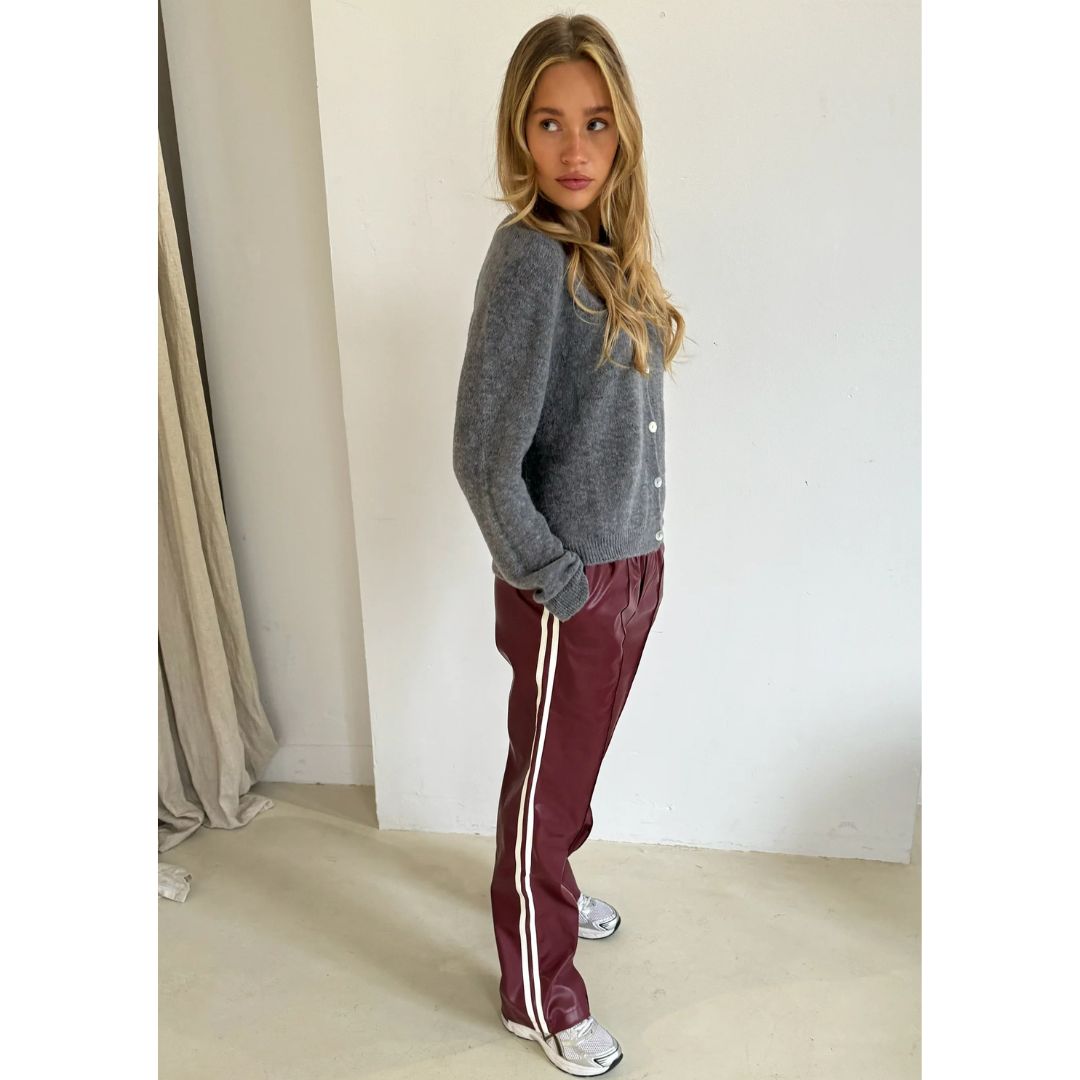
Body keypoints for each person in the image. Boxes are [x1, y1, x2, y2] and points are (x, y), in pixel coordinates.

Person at [452, 13, 686, 1077]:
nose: (574, 148)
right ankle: (538, 994)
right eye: (549, 122)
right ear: (520, 132)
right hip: (572, 585)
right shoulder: (528, 261)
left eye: (594, 121)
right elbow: (481, 457)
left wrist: (632, 568)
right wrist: (558, 582)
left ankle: (549, 884)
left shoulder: (609, 255)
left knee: (571, 772)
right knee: (545, 791)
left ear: (622, 127)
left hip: (631, 571)